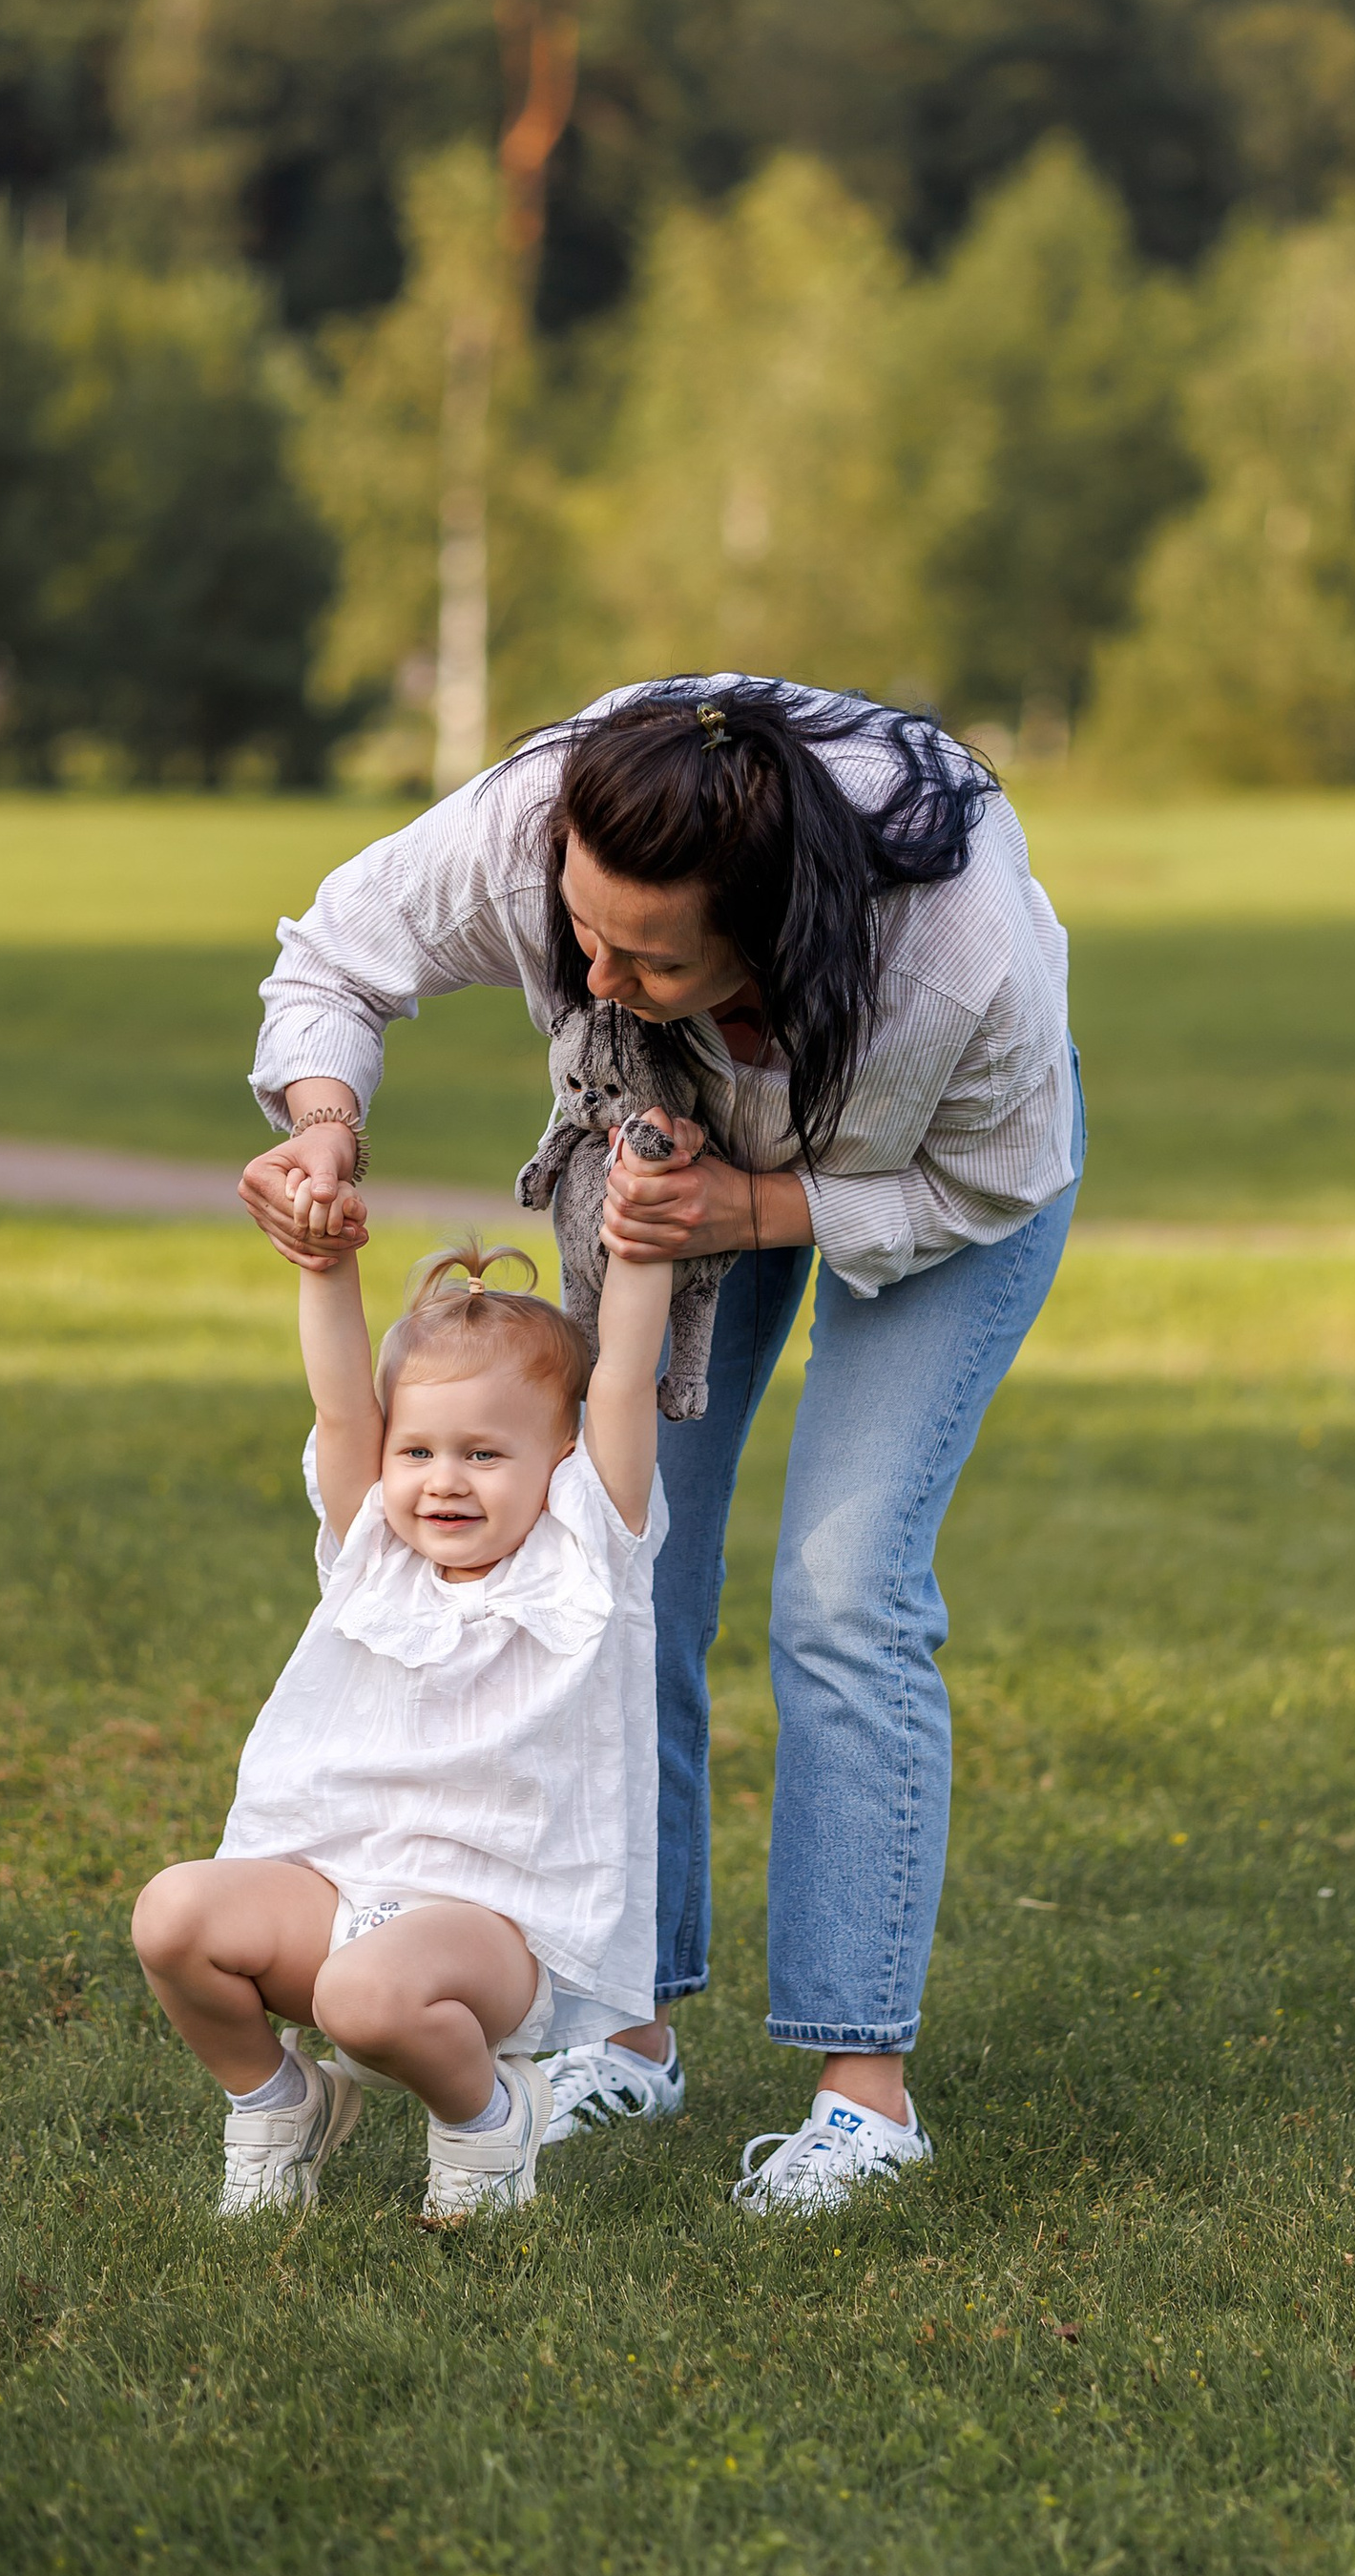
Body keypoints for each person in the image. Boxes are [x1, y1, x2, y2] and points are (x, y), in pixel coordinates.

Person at [239, 678, 1082, 2216]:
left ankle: (864, 2099)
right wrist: (322, 1122)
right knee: (618, 1578)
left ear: (772, 933)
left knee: (844, 1591)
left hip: (935, 1190)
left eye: (652, 959)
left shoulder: (958, 951)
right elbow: (338, 954)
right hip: (671, 1163)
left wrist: (758, 1209)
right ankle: (622, 2028)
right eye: (583, 935)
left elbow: (1002, 1174)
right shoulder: (536, 825)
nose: (598, 981)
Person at [129, 1221, 669, 2227]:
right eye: (416, 1450)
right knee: (173, 1914)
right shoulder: (371, 1548)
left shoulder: (587, 1554)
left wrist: (641, 1250)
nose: (444, 1479)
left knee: (362, 1997)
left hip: (488, 1925)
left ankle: (487, 2118)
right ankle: (278, 2101)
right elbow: (341, 1401)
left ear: (562, 1457)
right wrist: (326, 1265)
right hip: (335, 1890)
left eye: (484, 1453)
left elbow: (625, 1380)